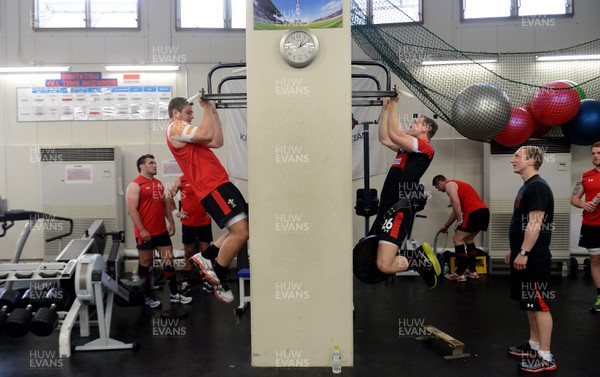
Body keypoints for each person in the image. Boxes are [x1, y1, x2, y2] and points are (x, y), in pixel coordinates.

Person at [166, 97, 249, 304]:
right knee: (242, 232)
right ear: (176, 113)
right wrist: (204, 108)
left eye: (192, 112)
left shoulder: (189, 136)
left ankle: (206, 256)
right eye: (187, 112)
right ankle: (217, 274)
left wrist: (214, 113)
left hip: (220, 182)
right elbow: (205, 133)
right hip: (212, 187)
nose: (191, 116)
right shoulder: (175, 127)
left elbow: (217, 141)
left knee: (245, 226)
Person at [373, 94, 441, 288]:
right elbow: (384, 138)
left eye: (416, 122)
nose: (411, 124)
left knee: (385, 265)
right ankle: (418, 259)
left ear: (426, 129)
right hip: (386, 210)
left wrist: (394, 103)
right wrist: (385, 108)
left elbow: (395, 134)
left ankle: (419, 261)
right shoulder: (405, 150)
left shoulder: (425, 148)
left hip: (398, 211)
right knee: (381, 264)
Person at [505, 146, 556, 373]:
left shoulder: (537, 187)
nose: (512, 160)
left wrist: (524, 252)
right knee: (529, 303)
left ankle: (545, 356)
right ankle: (534, 345)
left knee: (540, 306)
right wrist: (515, 250)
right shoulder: (528, 186)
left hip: (535, 259)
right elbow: (522, 222)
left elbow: (536, 223)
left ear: (531, 160)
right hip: (524, 256)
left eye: (517, 156)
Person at [125, 154, 192, 308]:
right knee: (145, 263)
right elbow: (132, 210)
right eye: (151, 163)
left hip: (161, 232)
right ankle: (147, 295)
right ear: (142, 166)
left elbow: (165, 205)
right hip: (145, 233)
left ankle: (175, 294)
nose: (155, 165)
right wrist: (142, 230)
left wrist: (172, 223)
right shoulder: (135, 185)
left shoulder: (159, 184)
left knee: (169, 260)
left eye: (155, 162)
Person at [432, 175, 489, 281]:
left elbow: (455, 203)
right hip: (483, 212)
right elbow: (456, 209)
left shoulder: (449, 185)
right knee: (468, 239)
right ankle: (472, 271)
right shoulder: (458, 186)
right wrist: (446, 226)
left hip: (473, 213)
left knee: (457, 239)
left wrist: (459, 220)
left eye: (437, 188)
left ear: (439, 183)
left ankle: (460, 273)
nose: (439, 190)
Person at [167, 174, 214, 295]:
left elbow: (216, 195)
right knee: (188, 252)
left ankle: (207, 280)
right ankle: (186, 280)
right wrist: (176, 212)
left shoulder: (205, 178)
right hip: (189, 223)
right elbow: (168, 196)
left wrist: (214, 211)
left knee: (206, 253)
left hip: (204, 222)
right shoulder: (181, 179)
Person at [570, 141, 600, 311]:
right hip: (591, 225)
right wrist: (584, 204)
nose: (595, 156)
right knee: (595, 260)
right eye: (593, 153)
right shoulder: (585, 176)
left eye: (599, 153)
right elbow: (574, 198)